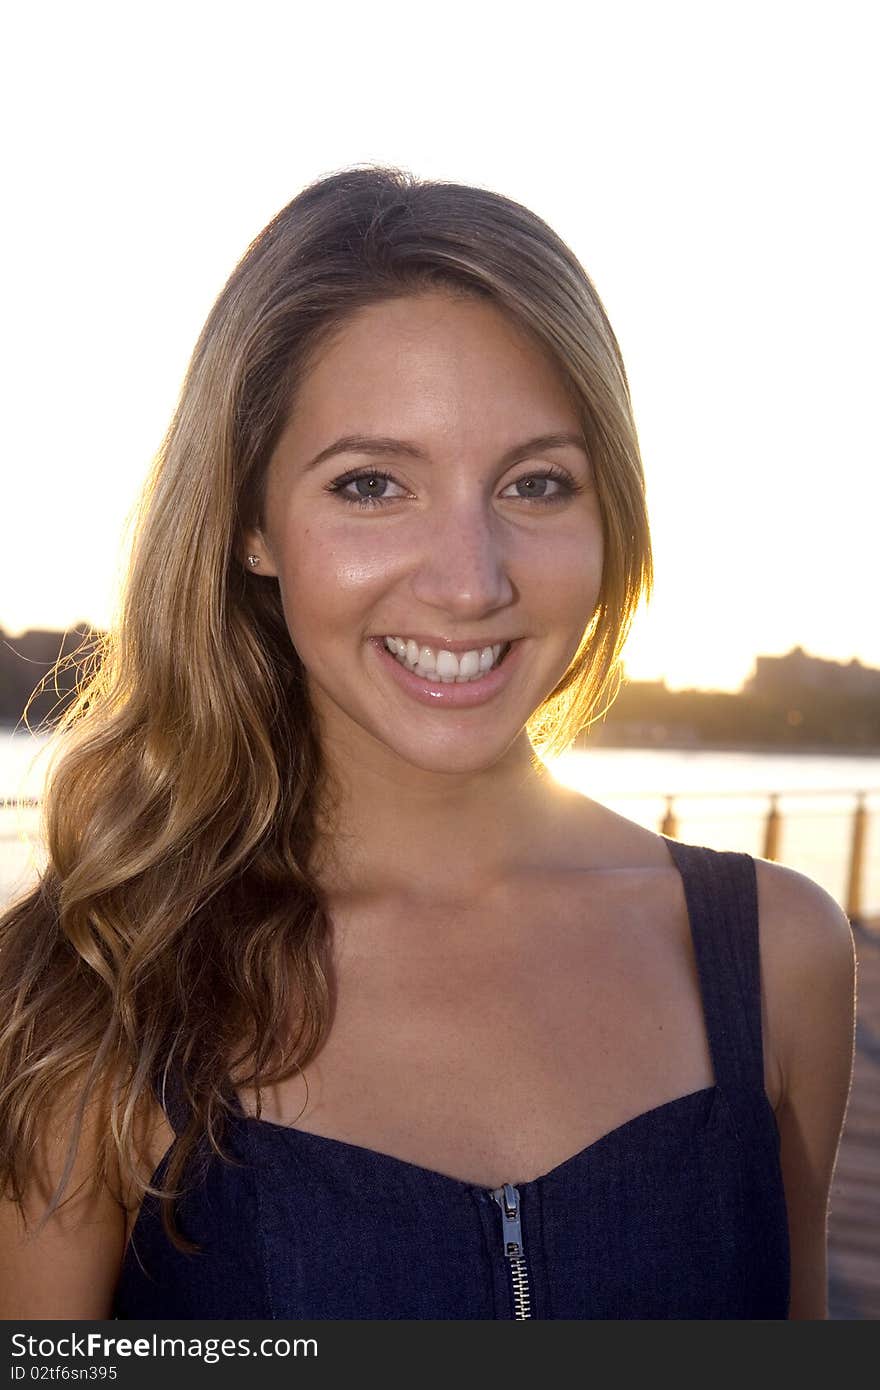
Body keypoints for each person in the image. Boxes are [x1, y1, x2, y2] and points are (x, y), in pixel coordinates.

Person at [0, 165, 856, 1321]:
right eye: (371, 484)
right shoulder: (92, 986)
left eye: (537, 483)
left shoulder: (773, 955)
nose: (469, 581)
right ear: (249, 523)